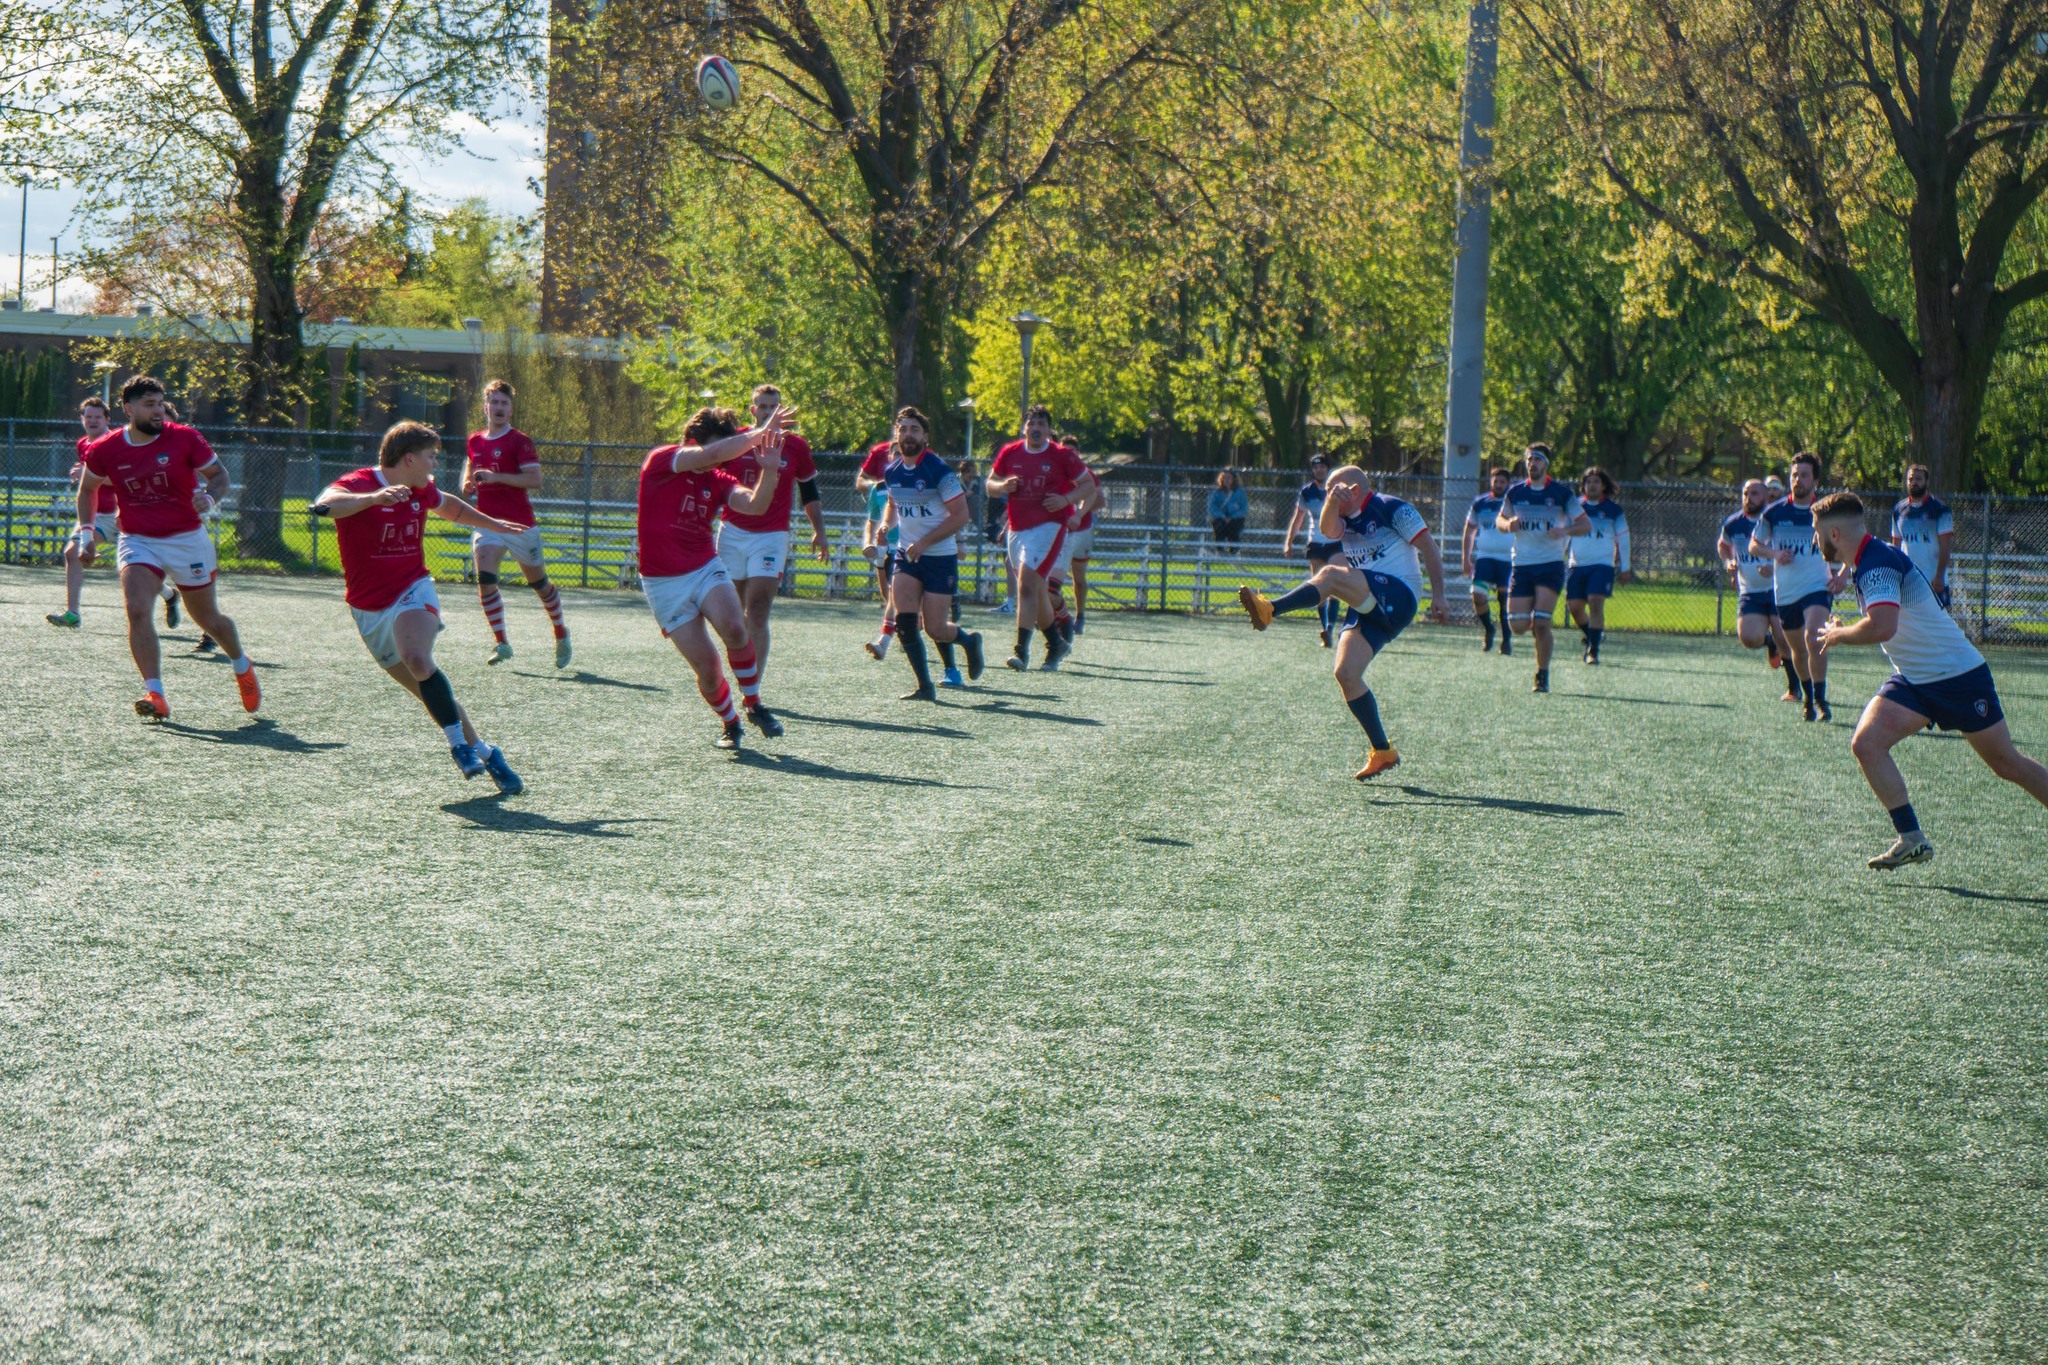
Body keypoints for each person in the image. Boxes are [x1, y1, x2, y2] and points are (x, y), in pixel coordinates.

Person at [1812, 491, 2048, 868]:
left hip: (1958, 677)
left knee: (2007, 764)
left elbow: (1883, 626)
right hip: (1915, 679)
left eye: (1816, 531)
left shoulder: (1875, 564)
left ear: (1834, 533)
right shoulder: (1867, 560)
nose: (1814, 539)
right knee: (1866, 744)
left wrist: (1839, 635)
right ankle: (1911, 838)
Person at [311, 421, 526, 792]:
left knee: (418, 659)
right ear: (408, 458)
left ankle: (458, 746)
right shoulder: (361, 482)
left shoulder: (420, 489)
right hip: (368, 608)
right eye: (431, 457)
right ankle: (488, 753)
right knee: (426, 687)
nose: (435, 466)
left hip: (413, 589)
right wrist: (373, 499)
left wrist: (494, 525)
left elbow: (452, 508)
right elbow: (325, 505)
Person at [1235, 465, 1448, 779]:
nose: (1328, 497)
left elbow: (1429, 546)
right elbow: (1328, 529)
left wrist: (1440, 596)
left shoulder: (1392, 508)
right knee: (1346, 673)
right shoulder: (1341, 517)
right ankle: (1383, 751)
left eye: (1335, 491)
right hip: (1370, 598)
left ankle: (1270, 610)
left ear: (1355, 491)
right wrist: (1333, 503)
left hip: (1399, 595)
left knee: (1331, 576)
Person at [74, 376, 259, 721]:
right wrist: (86, 533)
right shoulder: (106, 448)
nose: (158, 410)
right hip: (138, 540)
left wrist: (209, 497)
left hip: (187, 539)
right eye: (149, 404)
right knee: (137, 609)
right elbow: (87, 490)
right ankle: (155, 693)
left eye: (160, 403)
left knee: (208, 619)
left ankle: (241, 664)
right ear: (129, 409)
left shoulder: (185, 438)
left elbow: (219, 476)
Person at [638, 406, 797, 748]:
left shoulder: (717, 479)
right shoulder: (663, 460)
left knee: (736, 627)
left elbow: (753, 504)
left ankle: (754, 704)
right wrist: (758, 432)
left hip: (704, 566)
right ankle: (731, 723)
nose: (719, 461)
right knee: (709, 670)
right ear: (692, 443)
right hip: (663, 583)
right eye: (716, 451)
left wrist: (769, 470)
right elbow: (712, 453)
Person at [876, 406, 986, 699]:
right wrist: (886, 525)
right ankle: (925, 687)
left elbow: (961, 515)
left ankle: (969, 641)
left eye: (915, 429)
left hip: (939, 558)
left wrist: (925, 541)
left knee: (936, 628)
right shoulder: (893, 471)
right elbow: (893, 502)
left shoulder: (938, 470)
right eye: (903, 429)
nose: (908, 434)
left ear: (925, 436)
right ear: (896, 435)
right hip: (908, 557)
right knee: (906, 623)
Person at [720, 384, 826, 684]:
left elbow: (809, 491)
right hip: (732, 533)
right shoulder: (736, 440)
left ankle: (753, 685)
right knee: (733, 615)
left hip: (771, 536)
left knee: (758, 609)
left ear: (781, 410)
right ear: (753, 410)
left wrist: (819, 531)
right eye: (762, 407)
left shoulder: (796, 446)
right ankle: (741, 668)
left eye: (773, 406)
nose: (768, 412)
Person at [48, 397, 179, 631]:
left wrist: (89, 478)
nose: (92, 421)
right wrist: (83, 478)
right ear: (82, 419)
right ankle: (73, 613)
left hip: (125, 514)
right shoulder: (83, 444)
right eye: (88, 416)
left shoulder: (118, 443)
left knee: (139, 570)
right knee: (71, 553)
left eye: (98, 417)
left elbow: (128, 478)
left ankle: (169, 595)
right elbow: (89, 486)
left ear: (108, 420)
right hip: (97, 516)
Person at [465, 380, 571, 669]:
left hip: (520, 524)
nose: (499, 408)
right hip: (487, 522)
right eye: (494, 402)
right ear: (485, 406)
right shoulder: (474, 440)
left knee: (539, 584)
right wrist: (468, 481)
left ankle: (560, 630)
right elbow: (471, 464)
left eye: (504, 403)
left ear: (511, 409)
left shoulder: (519, 441)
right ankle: (502, 642)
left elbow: (534, 480)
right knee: (485, 580)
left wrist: (496, 477)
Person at [987, 405, 1096, 671]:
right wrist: (1003, 486)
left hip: (1050, 527)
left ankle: (1021, 651)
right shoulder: (1010, 453)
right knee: (1035, 590)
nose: (1035, 428)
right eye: (1031, 423)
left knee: (1026, 585)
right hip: (1018, 529)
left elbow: (1089, 486)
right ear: (1024, 428)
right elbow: (990, 485)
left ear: (1048, 430)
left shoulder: (1062, 455)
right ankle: (1056, 643)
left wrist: (1067, 500)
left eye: (1041, 424)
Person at [1495, 443, 1590, 693]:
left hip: (1550, 565)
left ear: (1546, 464)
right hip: (1522, 565)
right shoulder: (1515, 493)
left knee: (1542, 622)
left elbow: (1585, 525)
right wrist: (1509, 524)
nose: (1532, 464)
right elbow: (1499, 520)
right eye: (1529, 460)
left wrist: (1565, 530)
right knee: (1517, 625)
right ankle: (1538, 635)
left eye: (1537, 460)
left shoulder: (1560, 494)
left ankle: (1542, 674)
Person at [1749, 451, 1834, 722]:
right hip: (1786, 593)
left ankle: (1821, 699)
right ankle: (1808, 697)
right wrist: (1775, 555)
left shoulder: (1825, 512)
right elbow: (1754, 545)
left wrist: (1842, 575)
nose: (1798, 479)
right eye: (1794, 474)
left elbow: (1854, 543)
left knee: (1814, 636)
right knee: (1797, 650)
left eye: (1804, 475)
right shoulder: (1774, 513)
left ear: (1815, 482)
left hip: (1817, 587)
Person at [1718, 479, 1802, 701]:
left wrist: (1773, 565)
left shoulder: (1776, 520)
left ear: (1766, 497)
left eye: (1754, 494)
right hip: (1750, 592)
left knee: (1785, 639)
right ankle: (1770, 642)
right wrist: (1729, 563)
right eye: (1745, 493)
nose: (1748, 498)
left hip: (1777, 589)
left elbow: (1792, 552)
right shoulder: (1733, 523)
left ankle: (1794, 688)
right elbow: (1723, 545)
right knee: (1749, 638)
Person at [1565, 466, 1632, 665]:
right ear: (1583, 486)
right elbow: (1563, 533)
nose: (1592, 485)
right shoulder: (1574, 507)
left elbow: (1624, 538)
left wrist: (1625, 567)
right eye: (1589, 482)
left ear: (1603, 486)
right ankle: (1595, 635)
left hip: (1602, 565)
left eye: (1596, 482)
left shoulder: (1613, 510)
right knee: (1575, 608)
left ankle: (1593, 650)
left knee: (1595, 602)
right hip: (1576, 565)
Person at [1284, 454, 1345, 648]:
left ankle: (1331, 627)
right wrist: (1289, 542)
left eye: (1322, 467)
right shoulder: (1307, 492)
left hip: (1336, 542)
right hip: (1316, 543)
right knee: (1320, 587)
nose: (1319, 470)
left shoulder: (1336, 489)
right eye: (1315, 467)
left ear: (1328, 468)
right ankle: (1325, 628)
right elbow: (1298, 518)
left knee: (1335, 584)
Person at [1460, 465, 1514, 655]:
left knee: (1504, 600)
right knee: (1478, 595)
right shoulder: (1480, 503)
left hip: (1508, 560)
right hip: (1485, 558)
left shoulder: (1514, 503)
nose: (1498, 484)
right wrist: (1466, 558)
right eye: (1495, 481)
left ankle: (1506, 640)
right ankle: (1489, 629)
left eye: (1502, 481)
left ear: (1508, 483)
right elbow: (1470, 531)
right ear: (1491, 482)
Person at [1891, 463, 1955, 610]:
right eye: (1911, 479)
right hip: (1909, 581)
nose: (1914, 482)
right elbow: (1896, 548)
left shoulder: (1940, 510)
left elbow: (1945, 547)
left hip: (1933, 581)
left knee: (1939, 628)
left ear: (1927, 482)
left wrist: (1939, 576)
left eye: (1918, 479)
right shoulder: (1898, 510)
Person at [1065, 461, 1106, 635]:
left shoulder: (1086, 474)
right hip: (1058, 530)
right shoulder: (1055, 470)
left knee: (1079, 577)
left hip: (1081, 530)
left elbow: (1100, 500)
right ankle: (1052, 616)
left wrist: (1081, 511)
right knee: (1051, 576)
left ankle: (1079, 615)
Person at [861, 476, 899, 661]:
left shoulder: (920, 480)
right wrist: (868, 542)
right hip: (888, 547)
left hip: (916, 547)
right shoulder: (879, 488)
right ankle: (886, 640)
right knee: (889, 596)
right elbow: (873, 519)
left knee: (932, 625)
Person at [1208, 469, 1247, 553]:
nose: (1226, 480)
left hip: (1235, 518)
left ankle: (1234, 549)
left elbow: (1244, 509)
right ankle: (1220, 549)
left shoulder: (1240, 492)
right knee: (1219, 525)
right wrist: (1222, 516)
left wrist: (1232, 517)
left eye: (1229, 477)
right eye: (1224, 477)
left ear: (1234, 479)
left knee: (1234, 527)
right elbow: (1212, 507)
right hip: (1220, 517)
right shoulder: (1217, 493)